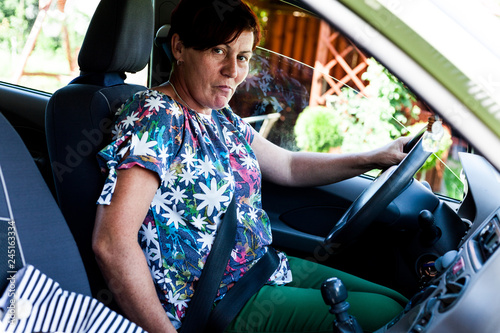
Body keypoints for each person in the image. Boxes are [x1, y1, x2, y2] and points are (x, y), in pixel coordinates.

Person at [92, 0, 410, 332]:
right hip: (217, 303)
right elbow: (112, 242)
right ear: (179, 47)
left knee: (401, 301)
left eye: (242, 57)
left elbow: (287, 165)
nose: (233, 70)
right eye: (218, 51)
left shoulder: (220, 116)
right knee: (387, 314)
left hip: (263, 271)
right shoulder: (156, 114)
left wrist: (375, 156)